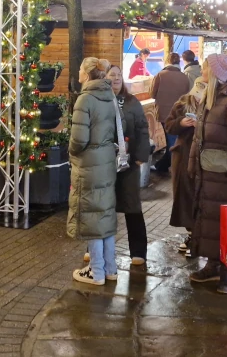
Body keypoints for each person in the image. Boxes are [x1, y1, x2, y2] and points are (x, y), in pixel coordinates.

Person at [188, 53, 227, 295]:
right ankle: (212, 264)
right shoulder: (209, 98)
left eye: (204, 69)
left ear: (214, 73)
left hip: (223, 174)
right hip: (206, 172)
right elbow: (198, 136)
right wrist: (193, 164)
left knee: (225, 223)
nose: (201, 72)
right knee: (208, 219)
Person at [69, 58, 119, 285]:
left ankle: (96, 271)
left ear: (87, 74)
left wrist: (71, 151)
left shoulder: (85, 99)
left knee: (91, 216)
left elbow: (79, 139)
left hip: (89, 163)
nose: (78, 72)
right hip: (107, 161)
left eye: (80, 69)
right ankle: (110, 268)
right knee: (104, 213)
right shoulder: (110, 96)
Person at [105, 65, 151, 265]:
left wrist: (141, 156)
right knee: (103, 207)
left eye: (118, 75)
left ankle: (138, 252)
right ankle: (97, 249)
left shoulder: (132, 102)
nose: (116, 78)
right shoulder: (100, 100)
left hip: (128, 163)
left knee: (132, 206)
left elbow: (142, 128)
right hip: (104, 164)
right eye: (111, 75)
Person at [165, 65, 204, 257]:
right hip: (183, 155)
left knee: (200, 196)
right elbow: (169, 126)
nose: (198, 94)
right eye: (197, 88)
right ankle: (191, 234)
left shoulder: (212, 105)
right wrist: (181, 123)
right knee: (184, 194)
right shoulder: (181, 104)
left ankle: (199, 235)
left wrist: (201, 126)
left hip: (203, 157)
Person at [149, 53, 191, 173]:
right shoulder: (184, 77)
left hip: (164, 113)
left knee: (171, 142)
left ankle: (171, 166)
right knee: (173, 139)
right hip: (180, 114)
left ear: (166, 61)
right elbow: (187, 95)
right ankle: (165, 165)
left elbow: (152, 94)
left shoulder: (160, 75)